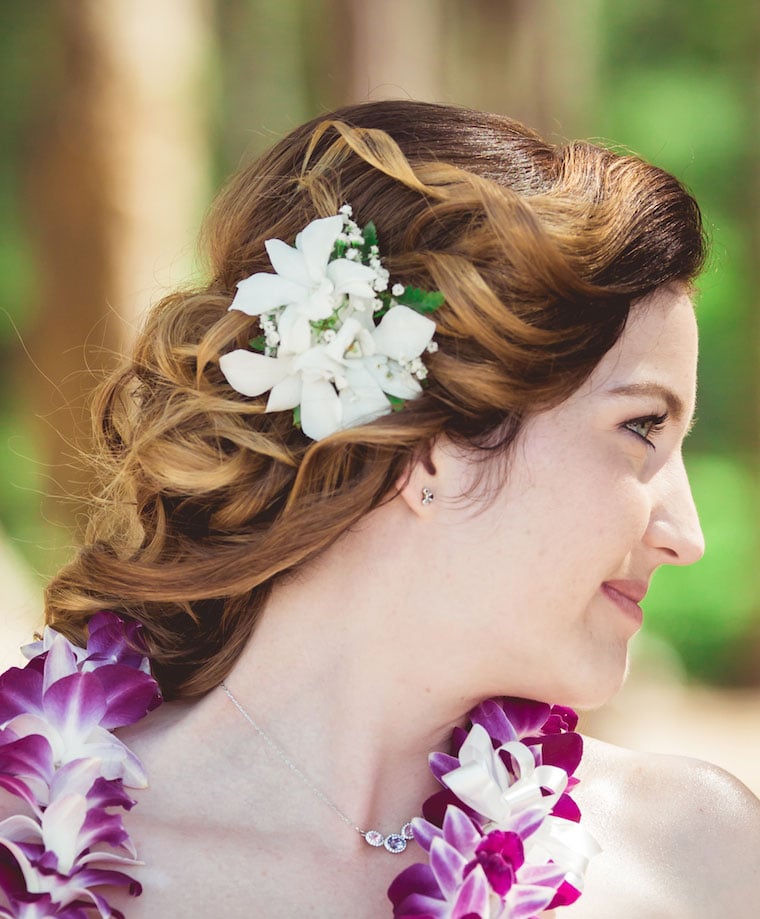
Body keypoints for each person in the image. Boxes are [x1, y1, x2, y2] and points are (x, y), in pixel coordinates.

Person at [1, 100, 758, 918]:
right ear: (428, 444)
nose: (688, 536)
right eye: (640, 428)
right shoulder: (25, 837)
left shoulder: (696, 860)